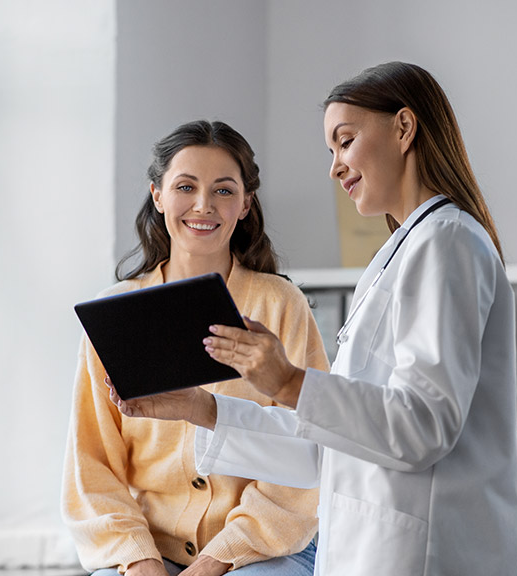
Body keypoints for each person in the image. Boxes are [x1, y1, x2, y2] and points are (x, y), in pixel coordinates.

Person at [111, 62, 517, 575]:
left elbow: (423, 427)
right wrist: (203, 409)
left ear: (403, 128)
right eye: (332, 150)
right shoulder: (403, 252)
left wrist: (287, 381)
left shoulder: (447, 243)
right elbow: (326, 449)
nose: (335, 167)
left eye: (344, 141)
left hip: (423, 555)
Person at [62, 120, 328, 576]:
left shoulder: (280, 305)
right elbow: (92, 466)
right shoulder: (115, 314)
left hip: (269, 547)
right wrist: (139, 559)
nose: (204, 205)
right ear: (158, 195)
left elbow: (310, 446)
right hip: (146, 549)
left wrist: (214, 562)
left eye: (224, 191)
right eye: (186, 186)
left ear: (246, 204)